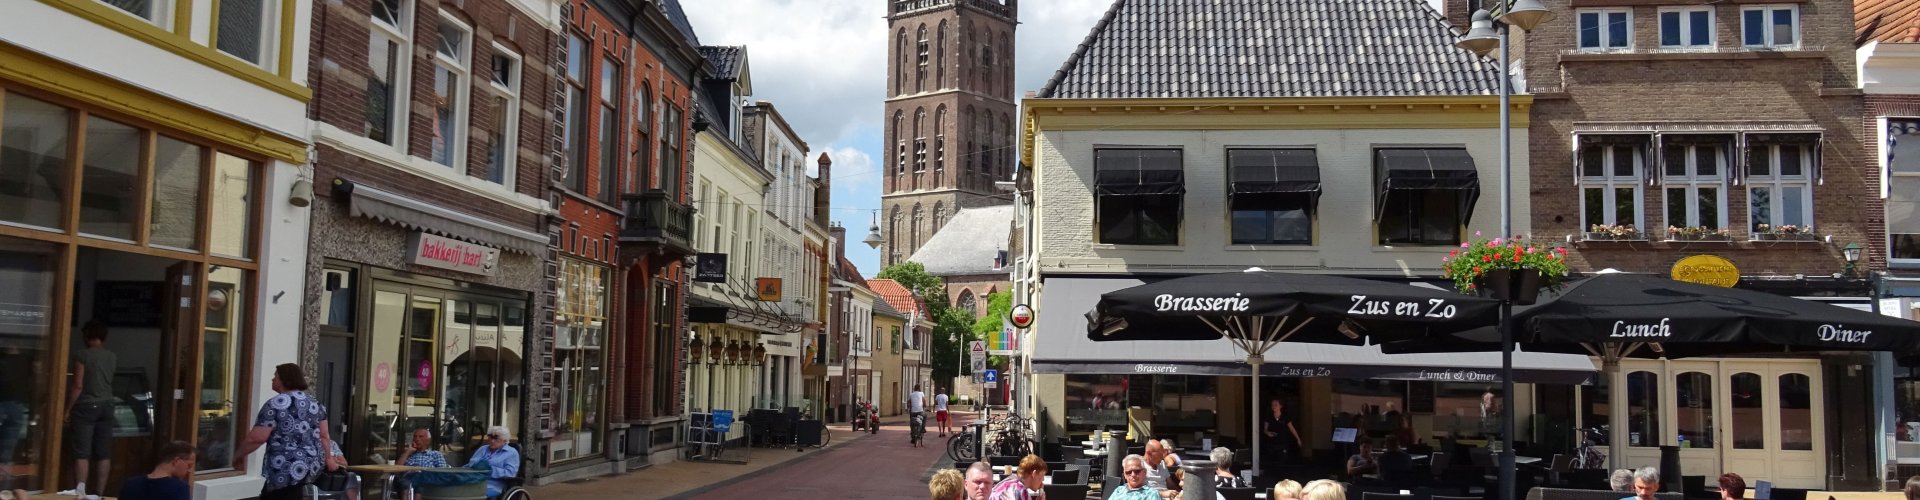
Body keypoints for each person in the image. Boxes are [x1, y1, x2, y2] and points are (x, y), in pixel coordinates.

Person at [235, 363, 336, 500]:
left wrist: (239, 455)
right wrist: (329, 459)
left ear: (284, 379)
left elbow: (256, 438)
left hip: (284, 468)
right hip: (311, 468)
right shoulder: (316, 405)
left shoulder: (275, 404)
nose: (272, 379)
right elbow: (324, 436)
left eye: (275, 376)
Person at [66, 321, 117, 499]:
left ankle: (81, 492)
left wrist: (67, 409)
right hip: (108, 405)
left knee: (82, 452)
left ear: (87, 335)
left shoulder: (82, 355)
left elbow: (78, 385)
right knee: (103, 453)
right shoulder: (111, 356)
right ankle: (100, 493)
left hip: (86, 405)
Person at [118, 440, 194, 500]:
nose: (189, 470)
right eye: (189, 465)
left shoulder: (130, 484)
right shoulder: (179, 488)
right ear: (176, 461)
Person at [468, 426, 521, 498]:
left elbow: (510, 473)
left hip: (493, 485)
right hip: (473, 481)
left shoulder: (511, 453)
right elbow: (471, 463)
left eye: (496, 438)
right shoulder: (483, 449)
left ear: (504, 440)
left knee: (469, 494)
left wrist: (489, 470)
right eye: (490, 437)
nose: (492, 441)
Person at [1262, 399, 1302, 471]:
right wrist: (1268, 433)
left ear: (1280, 406)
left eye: (1275, 405)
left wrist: (1298, 439)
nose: (1273, 406)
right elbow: (1265, 429)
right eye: (1272, 405)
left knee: (1282, 463)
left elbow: (1292, 429)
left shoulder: (1285, 417)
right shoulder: (1269, 417)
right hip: (1272, 443)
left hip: (1283, 443)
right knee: (1272, 463)